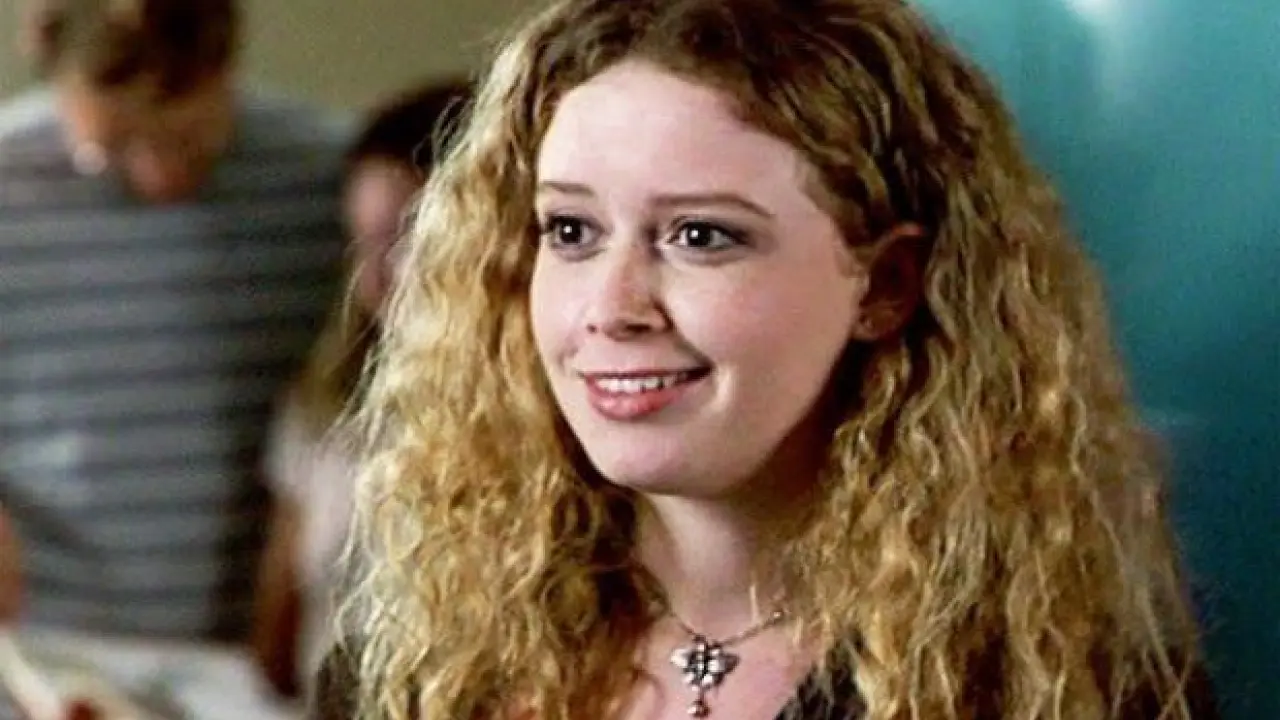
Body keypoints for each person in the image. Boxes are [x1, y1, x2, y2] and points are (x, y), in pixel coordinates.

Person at [327, 0, 1219, 718]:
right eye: (570, 231)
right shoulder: (420, 667)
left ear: (885, 285)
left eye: (701, 235)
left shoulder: (1053, 685)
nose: (610, 307)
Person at [0, 0, 348, 641]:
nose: (157, 176)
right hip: (50, 642)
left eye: (189, 141)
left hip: (259, 646)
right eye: (110, 149)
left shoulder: (327, 178)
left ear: (228, 70)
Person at [249, 80, 470, 699]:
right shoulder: (324, 403)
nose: (377, 281)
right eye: (364, 246)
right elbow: (276, 627)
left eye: (404, 243)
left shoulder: (546, 425)